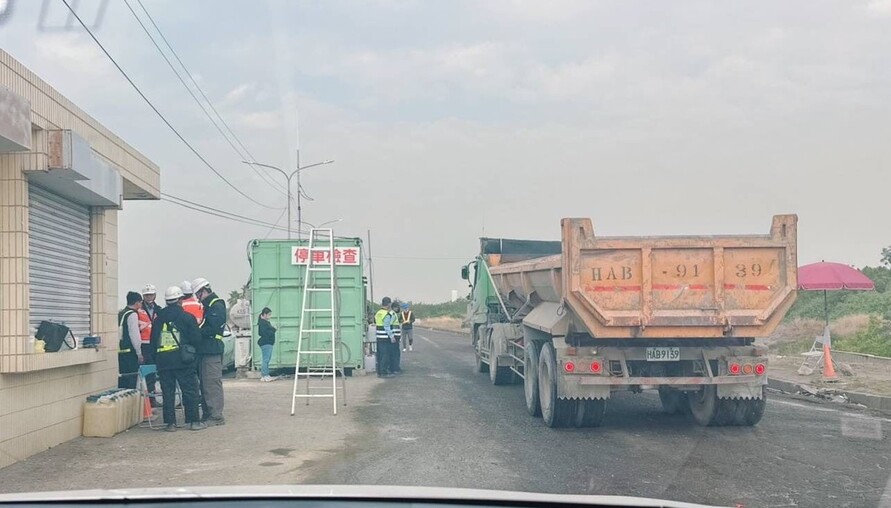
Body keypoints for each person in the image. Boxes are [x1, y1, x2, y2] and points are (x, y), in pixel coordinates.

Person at [151, 286, 206, 432]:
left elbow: (153, 342)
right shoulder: (187, 318)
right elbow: (196, 339)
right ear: (180, 300)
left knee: (168, 393)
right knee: (189, 391)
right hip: (183, 361)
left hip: (164, 362)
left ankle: (170, 424)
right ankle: (193, 422)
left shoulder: (158, 319)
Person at [191, 277, 227, 425]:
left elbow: (212, 328)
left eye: (197, 294)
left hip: (212, 349)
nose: (197, 298)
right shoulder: (209, 306)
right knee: (205, 384)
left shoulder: (216, 305)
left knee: (211, 384)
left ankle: (216, 416)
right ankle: (208, 413)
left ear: (203, 291)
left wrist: (196, 331)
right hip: (206, 350)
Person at [118, 291, 144, 389]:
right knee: (131, 381)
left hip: (120, 352)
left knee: (122, 380)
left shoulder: (121, 313)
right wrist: (139, 353)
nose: (141, 305)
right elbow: (134, 335)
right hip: (130, 353)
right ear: (137, 303)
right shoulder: (132, 314)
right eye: (140, 302)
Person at [138, 284, 160, 404]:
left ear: (155, 295)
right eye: (146, 295)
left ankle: (152, 399)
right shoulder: (138, 309)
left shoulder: (159, 309)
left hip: (155, 344)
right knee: (144, 373)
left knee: (152, 373)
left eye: (151, 295)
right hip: (143, 344)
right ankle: (146, 400)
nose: (149, 297)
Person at [374, 297, 397, 378]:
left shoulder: (378, 313)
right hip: (385, 337)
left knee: (380, 355)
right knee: (385, 355)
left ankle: (379, 372)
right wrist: (392, 336)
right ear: (389, 304)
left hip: (378, 337)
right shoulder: (386, 314)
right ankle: (383, 372)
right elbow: (387, 327)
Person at [257, 307, 276, 382]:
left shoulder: (264, 322)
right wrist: (273, 329)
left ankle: (266, 375)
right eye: (269, 314)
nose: (270, 316)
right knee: (266, 359)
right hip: (266, 343)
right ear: (264, 314)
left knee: (266, 359)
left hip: (268, 343)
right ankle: (264, 375)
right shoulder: (263, 323)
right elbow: (263, 333)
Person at [390, 301, 403, 374]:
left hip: (396, 336)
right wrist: (392, 336)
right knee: (395, 353)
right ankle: (395, 368)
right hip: (394, 336)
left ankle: (396, 367)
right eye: (398, 307)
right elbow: (390, 325)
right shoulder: (392, 314)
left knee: (395, 352)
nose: (398, 309)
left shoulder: (394, 314)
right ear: (394, 307)